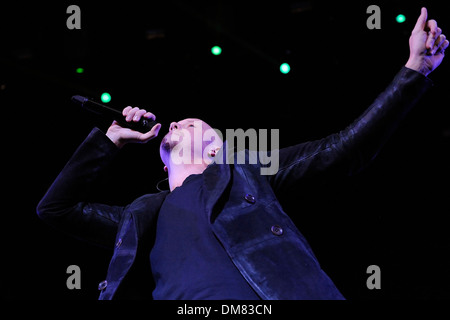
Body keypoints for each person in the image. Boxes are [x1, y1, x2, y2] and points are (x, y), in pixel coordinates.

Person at [37, 8, 448, 300]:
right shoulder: (143, 213)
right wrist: (110, 139)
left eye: (192, 123)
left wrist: (414, 71)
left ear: (216, 146)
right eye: (178, 123)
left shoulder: (246, 173)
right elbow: (54, 209)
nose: (177, 123)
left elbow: (344, 149)